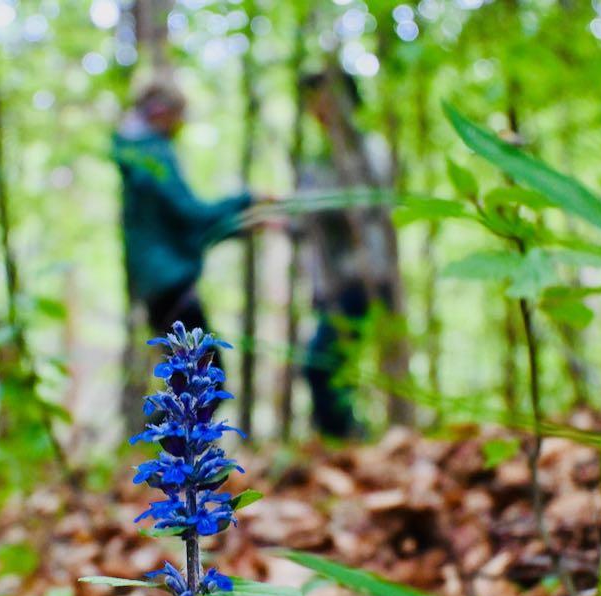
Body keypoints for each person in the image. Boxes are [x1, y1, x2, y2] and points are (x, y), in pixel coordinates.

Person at [294, 67, 405, 438]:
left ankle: (347, 439)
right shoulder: (319, 159)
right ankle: (344, 440)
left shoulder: (368, 148)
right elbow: (304, 222)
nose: (317, 107)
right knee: (331, 367)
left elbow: (366, 205)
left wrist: (308, 205)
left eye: (325, 96)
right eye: (312, 99)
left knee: (322, 365)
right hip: (331, 282)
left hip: (362, 277)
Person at [113, 76, 258, 339]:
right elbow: (190, 214)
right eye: (179, 115)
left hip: (155, 285)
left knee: (191, 370)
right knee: (205, 371)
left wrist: (243, 226)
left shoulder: (135, 154)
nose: (181, 124)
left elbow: (177, 230)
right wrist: (248, 200)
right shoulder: (152, 152)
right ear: (161, 112)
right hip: (170, 283)